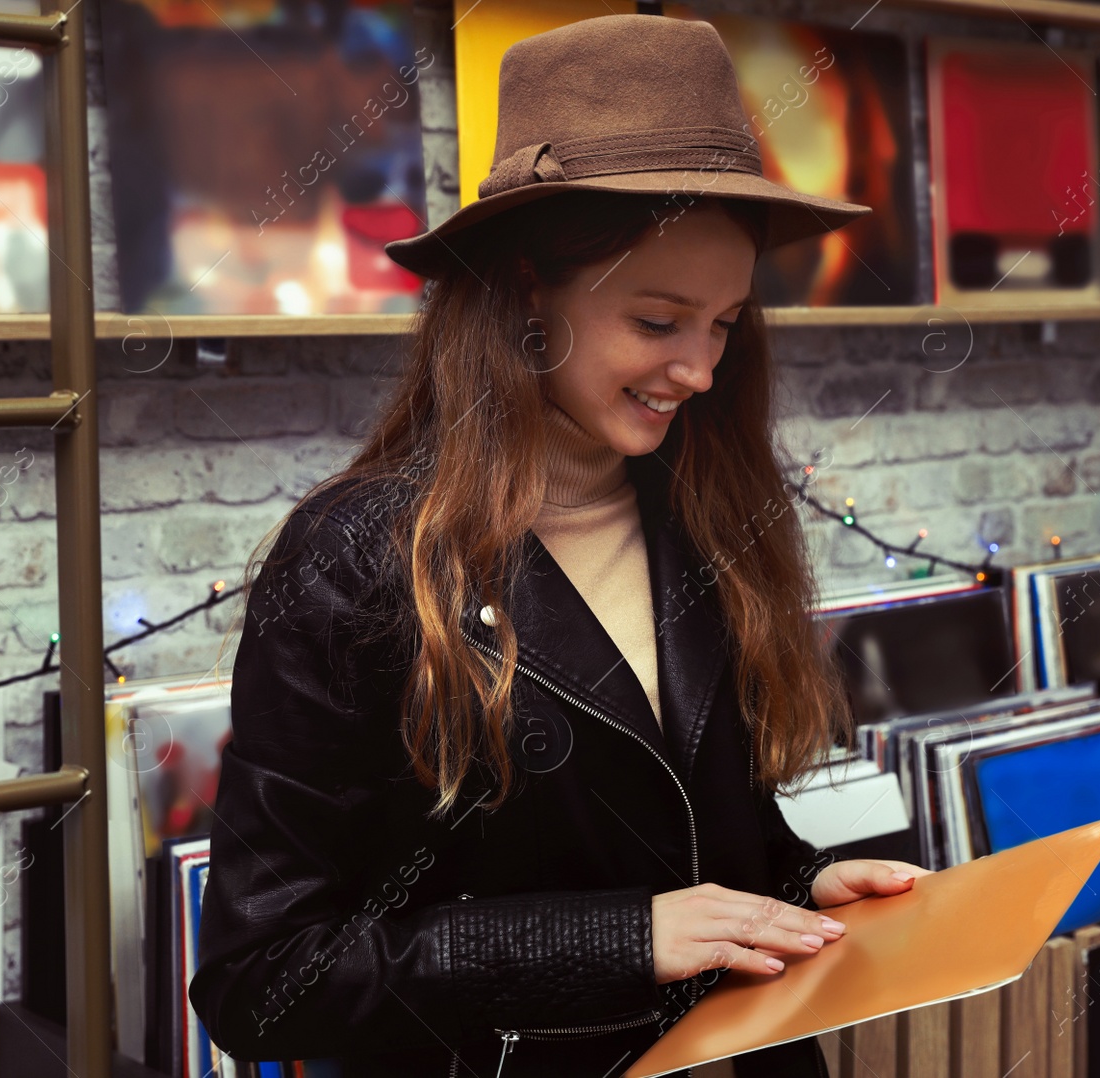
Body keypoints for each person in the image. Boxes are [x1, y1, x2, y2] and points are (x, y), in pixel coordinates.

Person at [188, 14, 931, 1078]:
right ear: (528, 294)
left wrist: (794, 884)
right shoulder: (354, 558)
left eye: (723, 323)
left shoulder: (706, 512)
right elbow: (265, 981)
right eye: (659, 319)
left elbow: (693, 835)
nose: (701, 369)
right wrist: (616, 940)